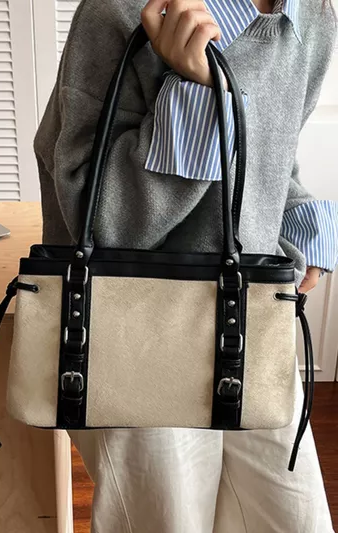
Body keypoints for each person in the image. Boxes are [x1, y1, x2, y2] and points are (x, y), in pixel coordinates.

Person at [34, 0, 338, 531]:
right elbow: (94, 223)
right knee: (164, 520)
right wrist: (198, 96)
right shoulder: (120, 11)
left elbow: (272, 156)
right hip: (134, 343)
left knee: (295, 517)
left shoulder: (312, 16)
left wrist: (306, 228)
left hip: (252, 326)